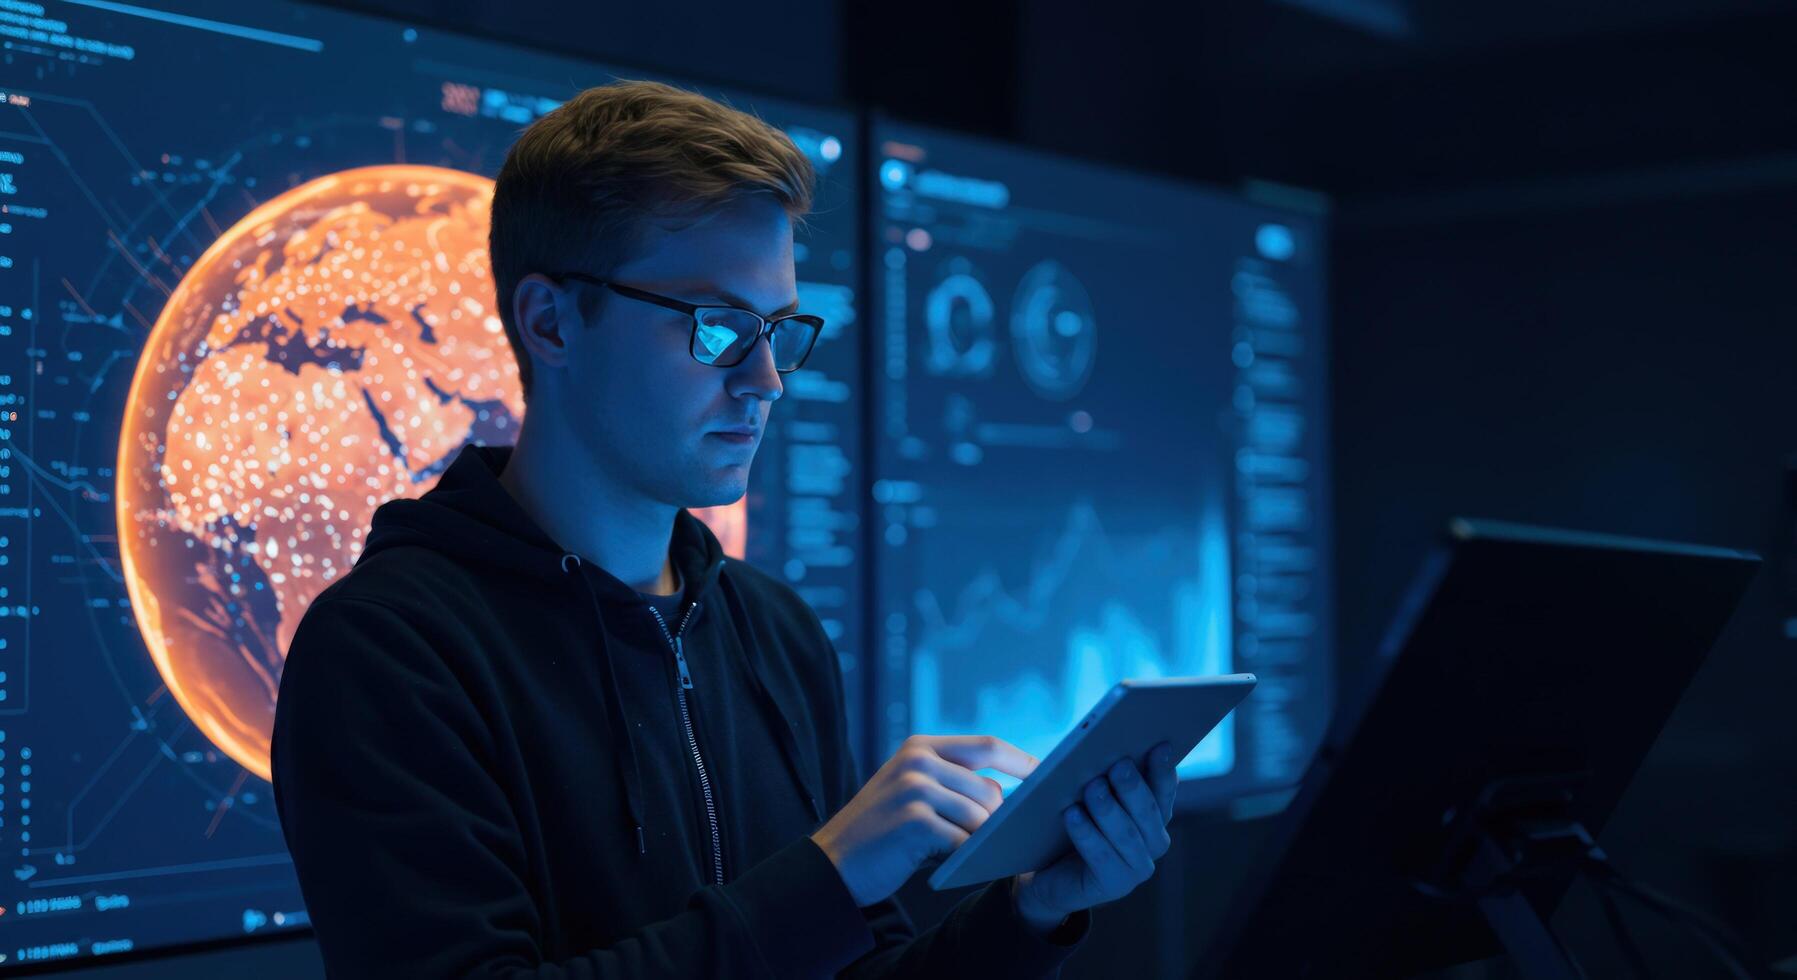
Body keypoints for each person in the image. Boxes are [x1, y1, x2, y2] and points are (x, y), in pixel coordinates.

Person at [270, 78, 1180, 978]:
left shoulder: (771, 631)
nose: (765, 381)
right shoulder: (389, 651)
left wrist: (1024, 916)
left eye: (777, 330)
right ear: (550, 323)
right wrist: (822, 880)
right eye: (716, 327)